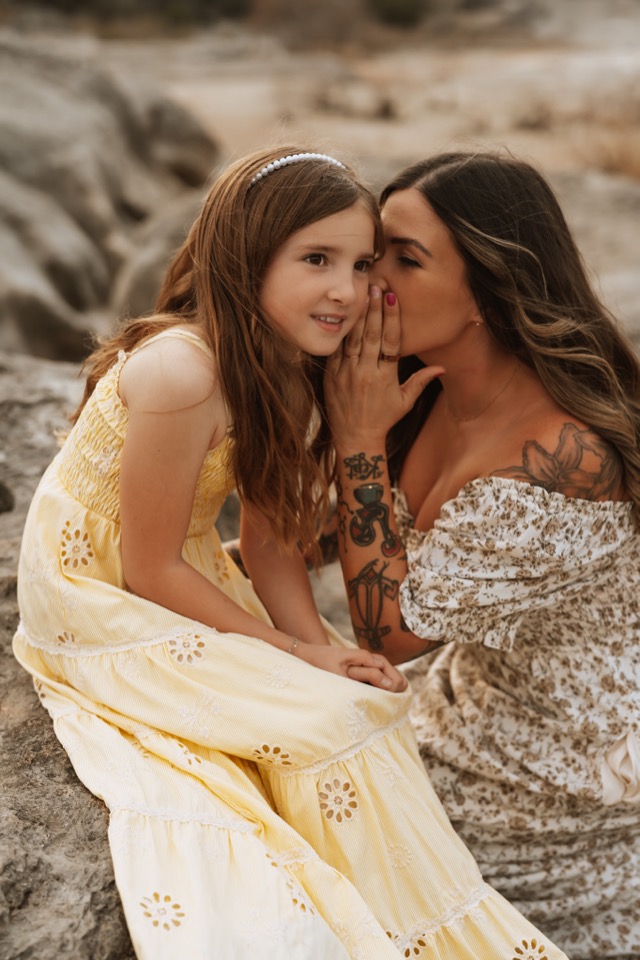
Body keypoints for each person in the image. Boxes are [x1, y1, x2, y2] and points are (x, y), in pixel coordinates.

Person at [13, 145, 569, 960]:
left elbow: (270, 541)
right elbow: (146, 566)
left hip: (178, 569)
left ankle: (423, 925)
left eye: (362, 264)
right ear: (247, 259)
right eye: (317, 260)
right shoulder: (182, 372)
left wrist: (318, 649)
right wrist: (292, 655)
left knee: (362, 701)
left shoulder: (285, 366)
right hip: (94, 588)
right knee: (322, 720)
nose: (348, 290)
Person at [324, 149, 640, 960]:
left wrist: (357, 440)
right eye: (372, 255)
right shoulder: (425, 386)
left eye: (405, 259)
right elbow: (331, 533)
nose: (371, 282)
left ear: (490, 288)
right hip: (466, 701)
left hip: (553, 783)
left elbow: (390, 632)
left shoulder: (566, 460)